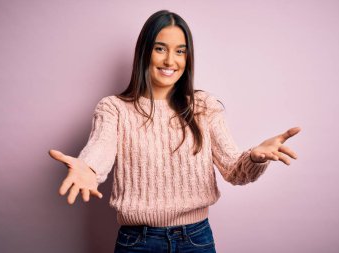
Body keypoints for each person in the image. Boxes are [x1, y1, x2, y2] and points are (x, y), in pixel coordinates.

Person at [48, 10, 301, 253]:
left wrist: (255, 158)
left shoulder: (204, 106)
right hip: (137, 242)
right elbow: (100, 149)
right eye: (160, 49)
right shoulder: (114, 108)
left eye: (180, 51)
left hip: (196, 239)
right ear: (144, 52)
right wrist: (88, 167)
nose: (170, 60)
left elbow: (235, 171)